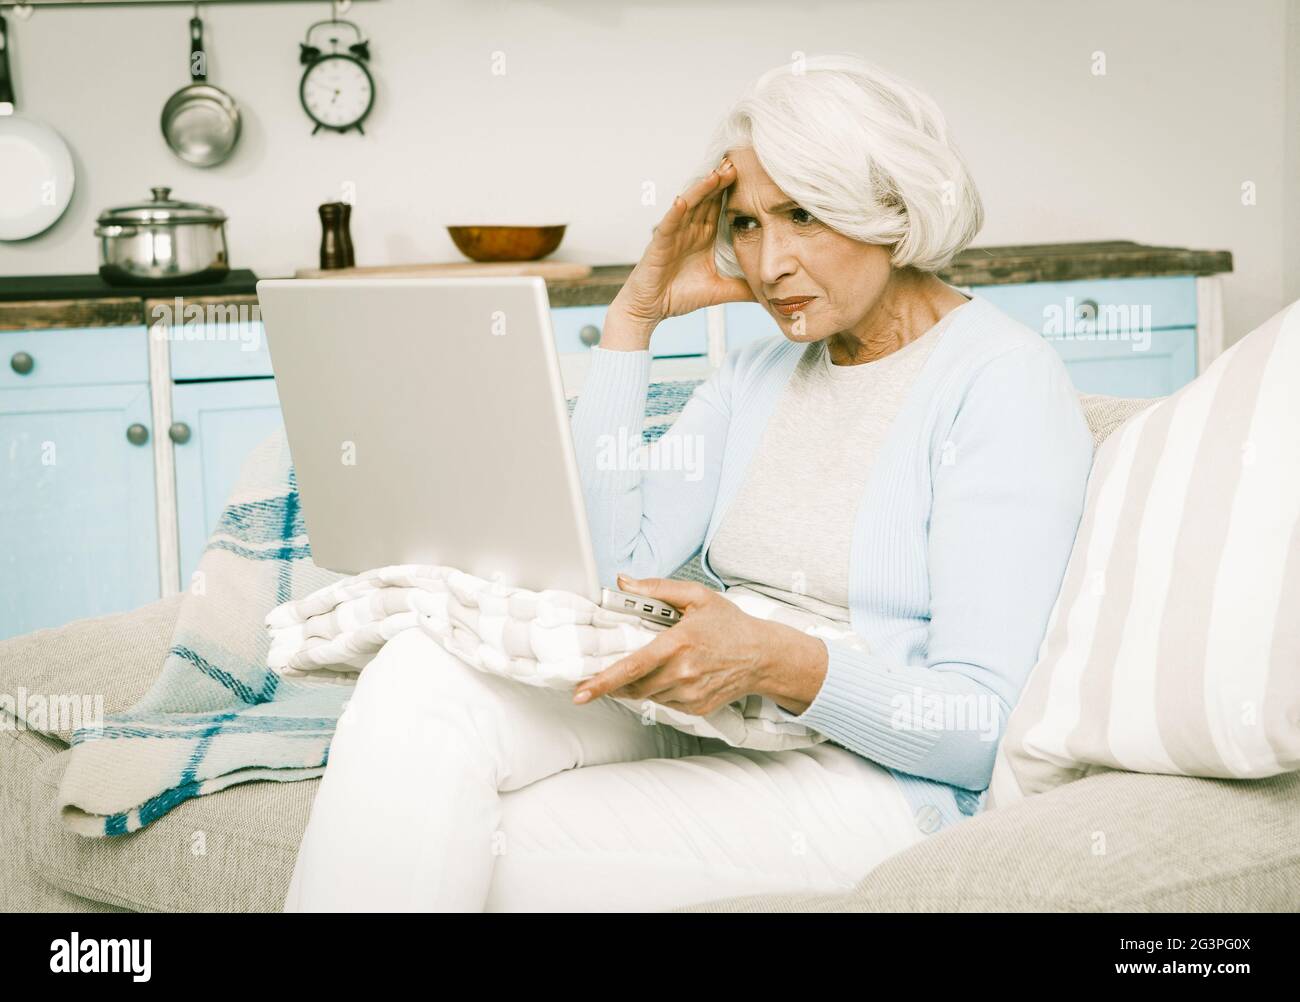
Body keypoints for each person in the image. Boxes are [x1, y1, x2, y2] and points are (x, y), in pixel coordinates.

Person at [283, 52, 1094, 912]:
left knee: (472, 840)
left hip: (881, 780)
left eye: (803, 216)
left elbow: (975, 727)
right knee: (420, 671)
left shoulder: (1002, 383)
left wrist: (778, 662)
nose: (769, 261)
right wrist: (633, 318)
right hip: (723, 717)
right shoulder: (757, 373)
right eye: (745, 223)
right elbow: (605, 572)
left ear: (893, 211)